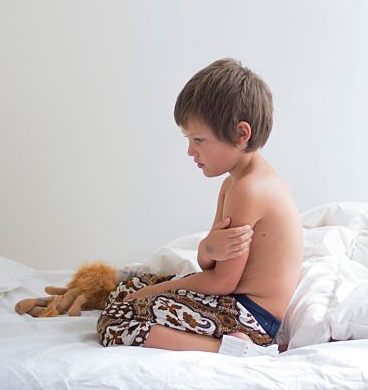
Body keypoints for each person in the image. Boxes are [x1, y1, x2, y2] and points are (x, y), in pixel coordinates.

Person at [97, 58, 303, 353]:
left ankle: (240, 350)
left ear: (240, 134)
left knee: (116, 321)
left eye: (199, 140)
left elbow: (222, 281)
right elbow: (212, 261)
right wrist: (208, 248)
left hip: (251, 319)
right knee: (125, 290)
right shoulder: (233, 183)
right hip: (234, 303)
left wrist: (151, 293)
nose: (190, 151)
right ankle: (222, 341)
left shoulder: (250, 189)